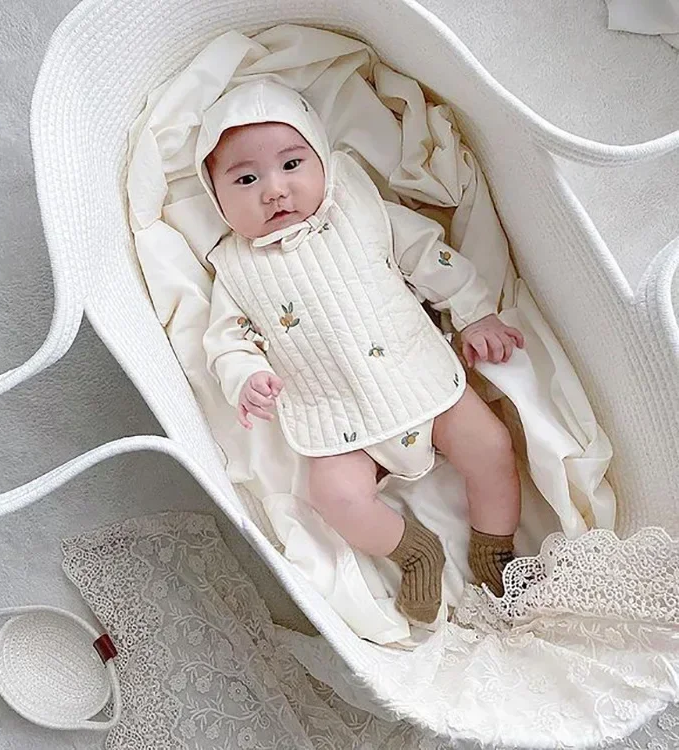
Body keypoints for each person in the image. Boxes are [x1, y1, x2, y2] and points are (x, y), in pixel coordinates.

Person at [198, 80, 524, 625]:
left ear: (322, 160)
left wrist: (475, 312)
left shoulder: (359, 207)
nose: (274, 191)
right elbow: (225, 339)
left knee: (491, 447)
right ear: (216, 197)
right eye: (246, 179)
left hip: (415, 376)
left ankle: (497, 547)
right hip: (337, 412)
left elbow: (427, 254)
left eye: (292, 165)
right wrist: (245, 377)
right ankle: (414, 550)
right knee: (335, 497)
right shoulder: (234, 268)